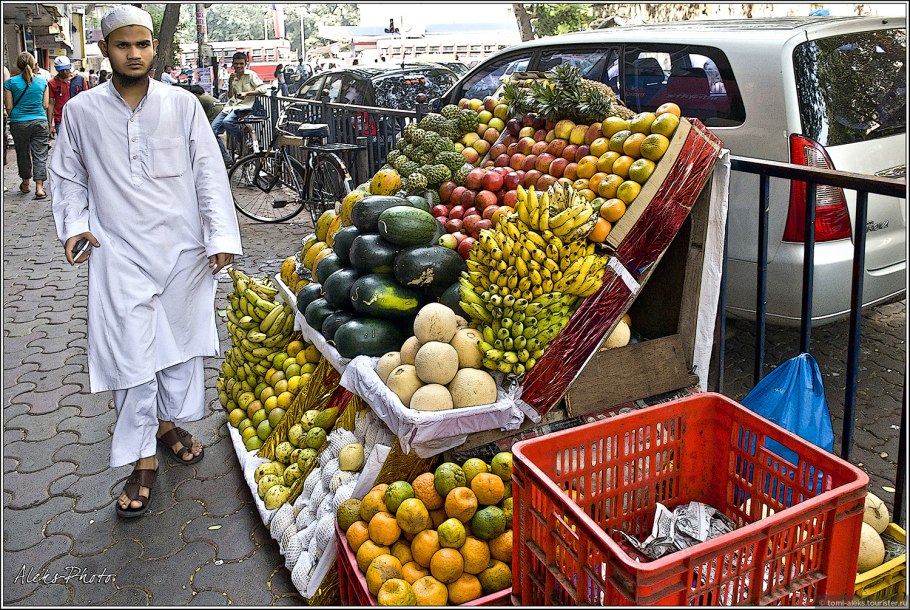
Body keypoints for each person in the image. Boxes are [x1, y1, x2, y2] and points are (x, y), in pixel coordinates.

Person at [47, 5, 242, 519]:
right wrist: (75, 225)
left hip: (182, 252)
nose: (133, 54)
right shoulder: (82, 112)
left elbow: (208, 171)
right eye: (122, 45)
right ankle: (142, 459)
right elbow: (67, 176)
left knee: (177, 349)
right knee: (132, 356)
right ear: (105, 49)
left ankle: (167, 423)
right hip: (117, 253)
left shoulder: (182, 105)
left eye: (142, 44)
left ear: (154, 47)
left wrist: (220, 235)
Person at [3, 52, 50, 199]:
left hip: (19, 122)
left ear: (18, 65)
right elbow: (45, 105)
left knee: (22, 153)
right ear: (34, 64)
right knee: (40, 154)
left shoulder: (10, 83)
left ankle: (25, 182)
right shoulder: (43, 81)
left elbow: (9, 107)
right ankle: (39, 187)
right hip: (39, 121)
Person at [211, 51, 268, 167]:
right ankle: (226, 158)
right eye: (236, 64)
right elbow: (230, 96)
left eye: (241, 64)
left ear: (245, 64)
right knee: (212, 130)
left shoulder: (251, 75)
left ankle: (242, 141)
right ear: (233, 64)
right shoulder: (232, 76)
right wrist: (230, 83)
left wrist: (247, 93)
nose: (238, 66)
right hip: (230, 107)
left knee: (227, 122)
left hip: (244, 107)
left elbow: (263, 89)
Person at [48, 56, 88, 138]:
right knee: (64, 143)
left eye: (66, 69)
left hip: (78, 117)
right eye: (61, 70)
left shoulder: (79, 80)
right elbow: (51, 104)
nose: (65, 72)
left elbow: (86, 99)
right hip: (60, 119)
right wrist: (50, 125)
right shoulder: (52, 83)